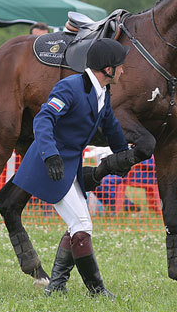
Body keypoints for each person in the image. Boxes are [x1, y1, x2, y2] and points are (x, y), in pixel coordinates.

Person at [11, 38, 136, 297]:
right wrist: (50, 154)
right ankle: (96, 289)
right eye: (120, 66)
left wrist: (124, 154)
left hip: (70, 167)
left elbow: (111, 125)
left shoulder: (102, 92)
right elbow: (44, 118)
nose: (123, 70)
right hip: (51, 165)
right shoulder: (70, 87)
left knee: (78, 225)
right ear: (108, 69)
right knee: (81, 226)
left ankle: (57, 285)